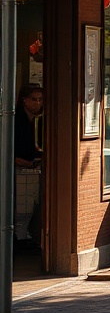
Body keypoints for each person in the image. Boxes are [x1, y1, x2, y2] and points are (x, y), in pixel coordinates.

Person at [14, 84, 43, 251]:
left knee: (34, 206)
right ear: (25, 100)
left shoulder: (42, 118)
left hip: (36, 166)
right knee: (23, 208)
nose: (37, 103)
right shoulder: (17, 120)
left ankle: (28, 237)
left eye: (40, 100)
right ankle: (20, 238)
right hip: (22, 166)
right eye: (34, 99)